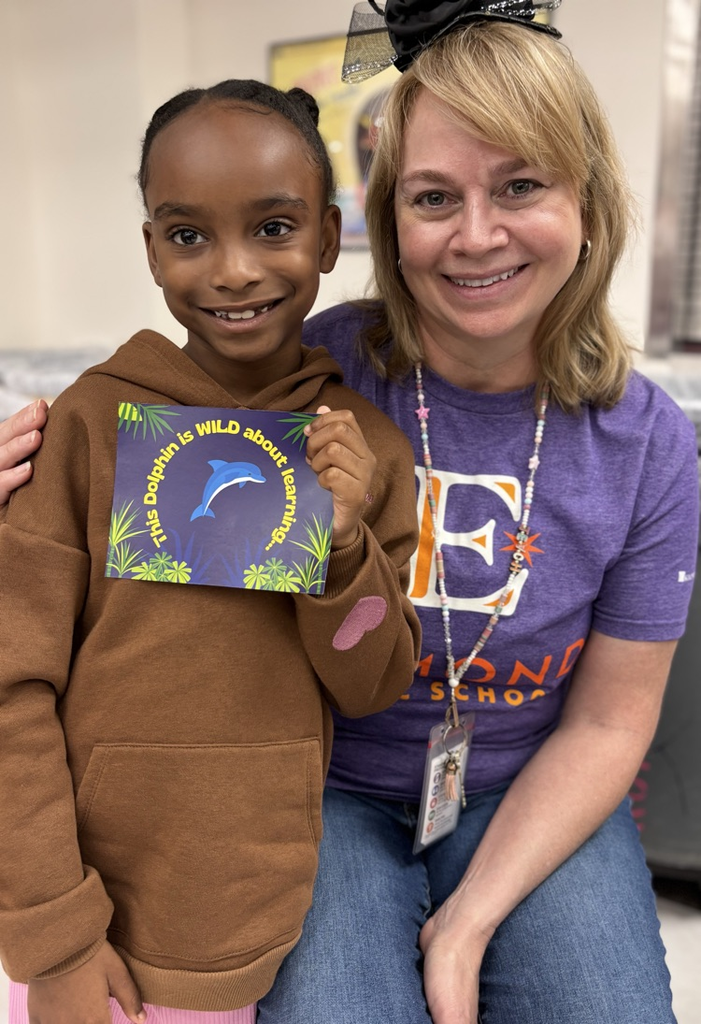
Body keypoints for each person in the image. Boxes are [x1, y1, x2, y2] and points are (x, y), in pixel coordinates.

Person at [2, 4, 699, 1024]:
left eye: (519, 186)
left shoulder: (644, 443)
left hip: (520, 785)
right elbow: (108, 577)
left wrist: (465, 927)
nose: (475, 235)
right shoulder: (288, 379)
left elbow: (607, 719)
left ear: (587, 200)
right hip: (319, 792)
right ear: (378, 222)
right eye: (431, 197)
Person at [0, 79, 421, 1024]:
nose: (232, 270)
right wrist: (53, 933)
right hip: (77, 918)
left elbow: (374, 680)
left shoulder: (366, 452)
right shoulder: (88, 425)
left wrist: (345, 543)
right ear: (151, 246)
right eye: (189, 235)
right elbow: (10, 685)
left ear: (326, 232)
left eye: (272, 228)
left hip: (245, 924)